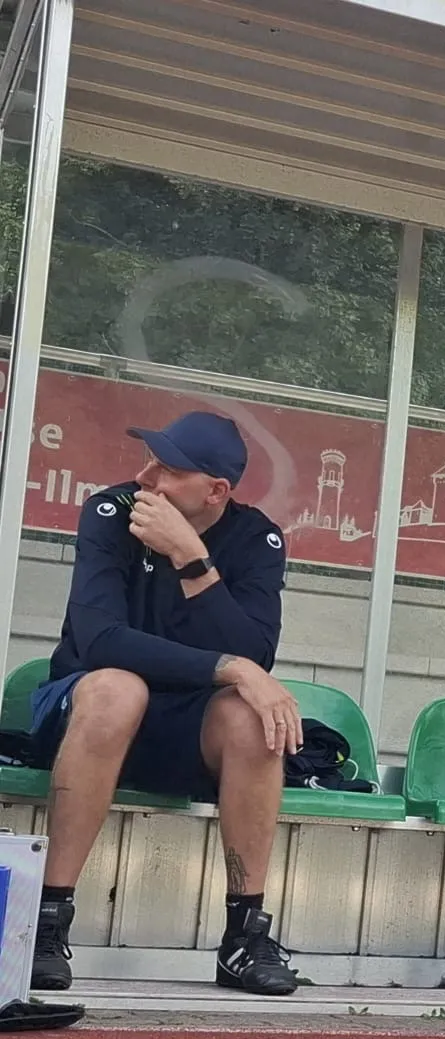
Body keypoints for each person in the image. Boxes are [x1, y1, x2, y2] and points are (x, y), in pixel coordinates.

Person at [30, 411, 302, 995]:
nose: (145, 477)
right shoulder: (111, 510)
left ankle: (244, 936)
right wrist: (231, 668)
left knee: (252, 718)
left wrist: (191, 558)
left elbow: (255, 650)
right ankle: (45, 922)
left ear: (216, 491)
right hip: (85, 712)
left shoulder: (257, 540)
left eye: (168, 469)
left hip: (186, 727)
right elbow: (100, 640)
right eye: (149, 460)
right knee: (118, 687)